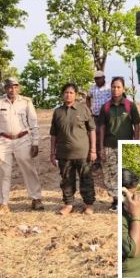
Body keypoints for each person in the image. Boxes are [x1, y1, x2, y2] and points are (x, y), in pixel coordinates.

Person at [0, 77, 43, 215]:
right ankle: (3, 203)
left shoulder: (26, 102)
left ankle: (36, 199)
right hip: (3, 141)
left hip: (23, 139)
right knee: (3, 172)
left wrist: (35, 142)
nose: (13, 90)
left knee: (29, 169)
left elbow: (34, 124)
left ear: (19, 88)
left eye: (15, 87)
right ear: (5, 89)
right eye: (10, 87)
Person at [50, 83, 96, 215]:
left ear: (75, 94)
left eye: (71, 92)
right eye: (66, 92)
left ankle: (89, 204)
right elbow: (53, 134)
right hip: (64, 154)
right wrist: (52, 153)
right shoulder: (57, 112)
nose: (68, 95)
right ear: (62, 94)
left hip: (83, 153)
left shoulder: (83, 109)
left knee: (86, 179)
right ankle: (68, 204)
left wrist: (93, 150)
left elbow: (92, 130)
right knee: (66, 180)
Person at [100, 76, 140, 212]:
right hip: (109, 145)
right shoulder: (105, 107)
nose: (115, 89)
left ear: (123, 89)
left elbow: (137, 125)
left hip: (124, 145)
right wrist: (101, 148)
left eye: (118, 87)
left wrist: (136, 142)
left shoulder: (130, 106)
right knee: (110, 175)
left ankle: (125, 202)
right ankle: (116, 201)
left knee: (124, 175)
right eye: (113, 87)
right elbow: (101, 128)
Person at [87, 70, 111, 167]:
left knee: (108, 136)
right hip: (96, 117)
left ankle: (108, 158)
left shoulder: (109, 88)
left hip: (108, 117)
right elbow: (88, 98)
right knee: (96, 138)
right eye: (95, 79)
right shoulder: (92, 88)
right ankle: (98, 161)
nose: (97, 80)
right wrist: (89, 110)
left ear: (103, 78)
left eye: (99, 78)